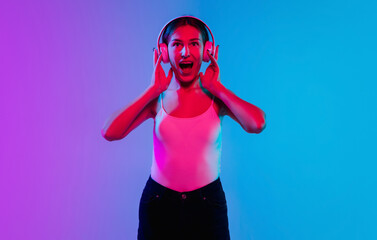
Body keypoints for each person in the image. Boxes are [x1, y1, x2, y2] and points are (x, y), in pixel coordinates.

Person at [101, 16, 266, 240]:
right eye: (177, 44)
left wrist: (217, 88)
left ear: (207, 51)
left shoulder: (216, 99)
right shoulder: (156, 100)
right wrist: (152, 89)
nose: (185, 53)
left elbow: (256, 124)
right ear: (164, 52)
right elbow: (110, 132)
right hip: (158, 204)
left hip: (208, 205)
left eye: (194, 44)